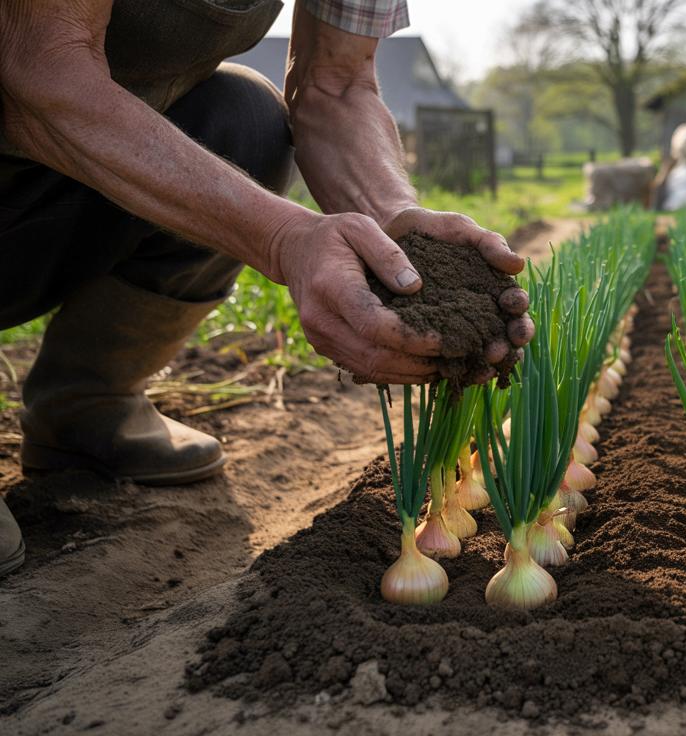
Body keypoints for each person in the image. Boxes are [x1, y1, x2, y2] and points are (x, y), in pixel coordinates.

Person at [0, 0, 534, 579]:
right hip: (33, 110)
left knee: (247, 121)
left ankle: (85, 405)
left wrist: (393, 218)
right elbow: (41, 68)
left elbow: (336, 83)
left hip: (65, 173)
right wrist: (284, 237)